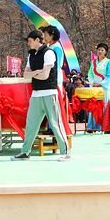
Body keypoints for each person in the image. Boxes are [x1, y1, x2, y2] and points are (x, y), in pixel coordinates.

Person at [12, 30, 70, 161]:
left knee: (55, 123)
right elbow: (26, 74)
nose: (28, 43)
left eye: (30, 41)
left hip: (49, 93)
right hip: (36, 94)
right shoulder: (31, 55)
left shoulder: (49, 53)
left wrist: (33, 73)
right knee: (31, 124)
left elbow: (45, 75)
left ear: (38, 40)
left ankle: (65, 151)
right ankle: (25, 151)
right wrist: (37, 72)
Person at [87, 43, 110, 134]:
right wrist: (92, 82)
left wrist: (101, 83)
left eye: (102, 50)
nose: (100, 51)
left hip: (105, 88)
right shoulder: (93, 62)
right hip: (95, 87)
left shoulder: (108, 62)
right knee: (94, 105)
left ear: (105, 52)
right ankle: (92, 126)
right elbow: (90, 74)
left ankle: (107, 127)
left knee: (106, 106)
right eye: (99, 49)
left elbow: (109, 76)